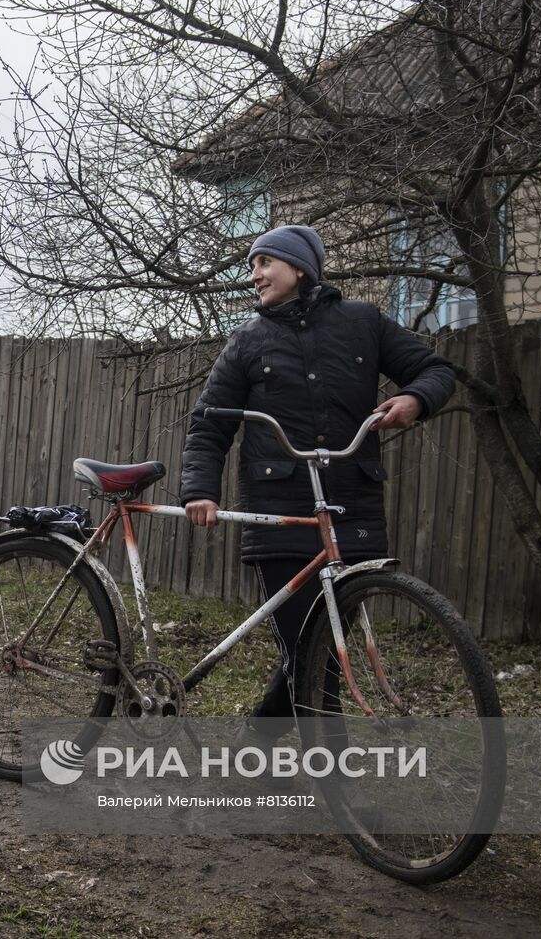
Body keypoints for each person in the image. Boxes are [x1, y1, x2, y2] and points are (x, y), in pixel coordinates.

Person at [179, 224, 455, 738]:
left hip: (354, 509)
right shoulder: (248, 341)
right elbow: (209, 423)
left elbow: (435, 370)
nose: (254, 275)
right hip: (281, 513)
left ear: (299, 267)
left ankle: (256, 742)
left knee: (324, 648)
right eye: (252, 265)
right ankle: (339, 796)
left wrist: (416, 398)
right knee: (312, 656)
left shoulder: (364, 322)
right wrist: (199, 489)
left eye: (264, 263)